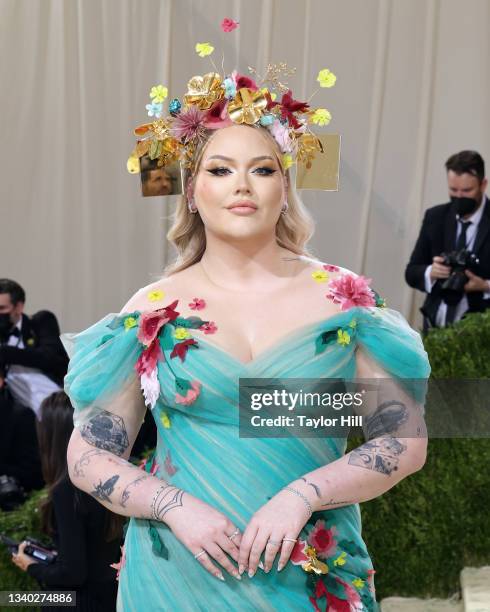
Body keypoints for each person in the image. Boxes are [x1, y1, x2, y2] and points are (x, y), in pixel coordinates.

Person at [62, 61, 430, 611]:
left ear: (285, 188)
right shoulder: (155, 308)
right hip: (177, 572)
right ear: (192, 192)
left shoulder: (344, 300)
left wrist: (302, 496)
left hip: (309, 565)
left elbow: (402, 440)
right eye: (219, 170)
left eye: (261, 170)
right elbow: (88, 454)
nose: (241, 185)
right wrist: (172, 505)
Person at [11, 391, 123, 612]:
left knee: (9, 598)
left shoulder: (67, 490)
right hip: (108, 595)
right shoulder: (108, 475)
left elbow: (73, 573)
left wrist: (31, 566)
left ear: (52, 435)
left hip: (79, 601)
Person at [405, 151, 490, 331]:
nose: (459, 197)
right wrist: (431, 271)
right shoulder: (435, 217)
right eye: (453, 190)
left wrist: (485, 286)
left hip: (482, 333)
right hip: (435, 327)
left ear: (483, 185)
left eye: (467, 191)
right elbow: (411, 272)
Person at [0, 279, 69, 418]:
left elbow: (49, 357)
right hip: (26, 420)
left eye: (2, 308)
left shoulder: (40, 321)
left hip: (62, 408)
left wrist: (4, 352)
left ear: (18, 307)